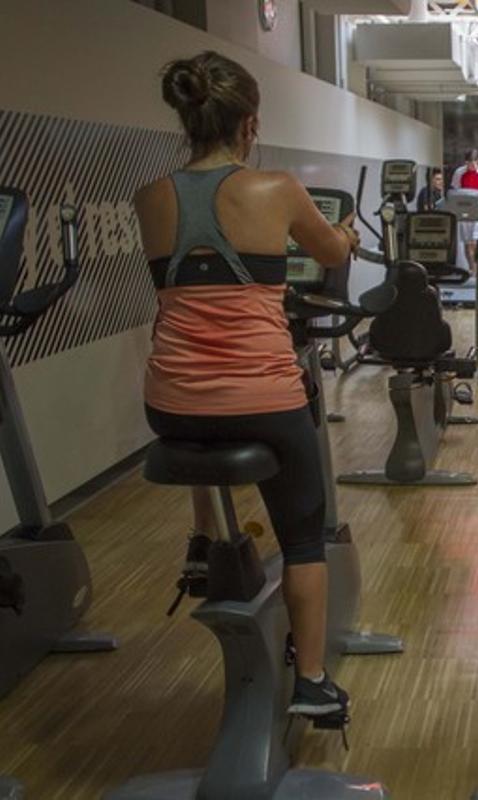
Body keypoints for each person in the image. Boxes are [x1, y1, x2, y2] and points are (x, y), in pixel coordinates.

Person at [134, 51, 361, 719]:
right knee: (303, 537)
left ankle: (205, 537)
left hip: (168, 403)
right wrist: (344, 233)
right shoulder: (278, 189)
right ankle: (313, 682)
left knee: (200, 411)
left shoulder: (149, 198)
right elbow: (330, 252)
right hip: (263, 401)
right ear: (249, 124)